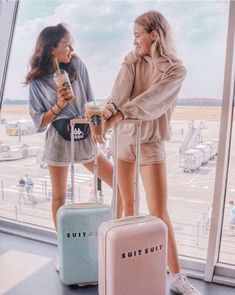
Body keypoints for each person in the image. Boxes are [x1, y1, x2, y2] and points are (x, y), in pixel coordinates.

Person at [98, 10, 202, 295]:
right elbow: (118, 94)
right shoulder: (131, 60)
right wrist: (109, 112)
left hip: (151, 142)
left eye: (137, 35)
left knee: (158, 212)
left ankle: (177, 277)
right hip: (124, 141)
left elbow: (153, 102)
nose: (134, 42)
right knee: (127, 206)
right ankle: (126, 269)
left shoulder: (175, 69)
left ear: (153, 35)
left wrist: (119, 115)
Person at [24, 24, 122, 270]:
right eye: (66, 44)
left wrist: (98, 127)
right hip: (58, 138)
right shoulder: (37, 81)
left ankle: (112, 239)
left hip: (85, 133)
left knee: (119, 183)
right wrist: (58, 105)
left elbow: (90, 101)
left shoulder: (77, 65)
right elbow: (39, 122)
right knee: (59, 197)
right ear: (51, 49)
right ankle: (64, 250)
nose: (71, 48)